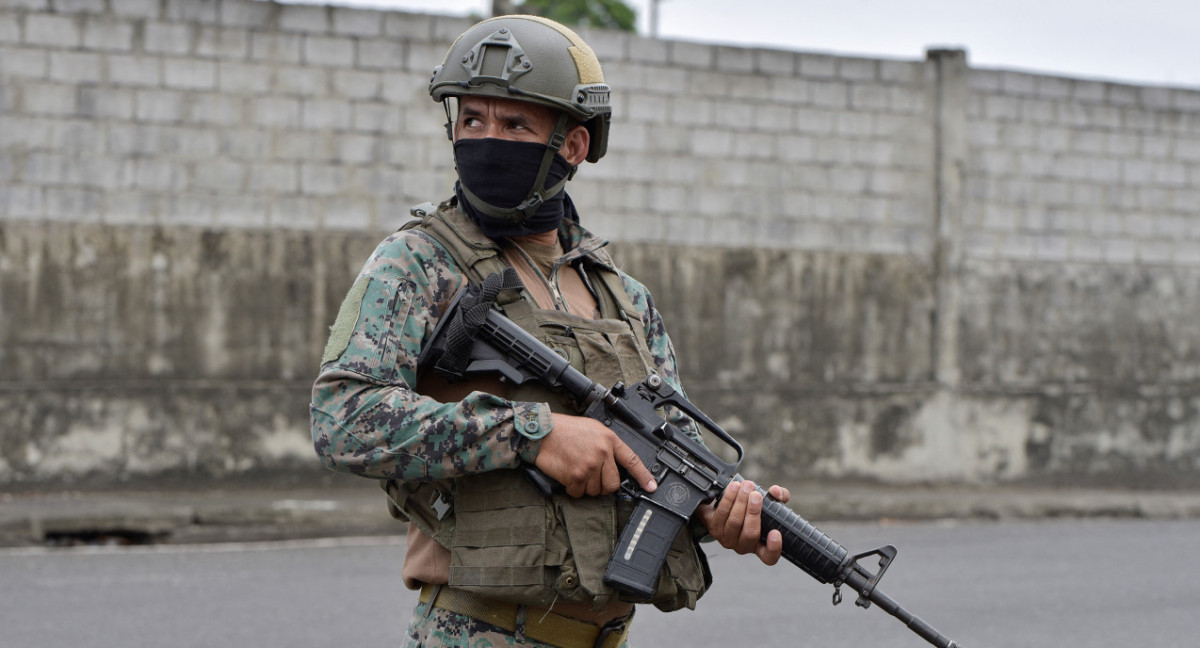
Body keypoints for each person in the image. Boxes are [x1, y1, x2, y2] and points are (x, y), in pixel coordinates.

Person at [311, 15, 791, 648]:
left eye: (514, 124)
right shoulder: (419, 263)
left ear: (573, 145)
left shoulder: (624, 298)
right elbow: (342, 419)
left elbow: (653, 472)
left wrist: (714, 514)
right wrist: (531, 434)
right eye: (471, 119)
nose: (484, 138)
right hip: (477, 631)